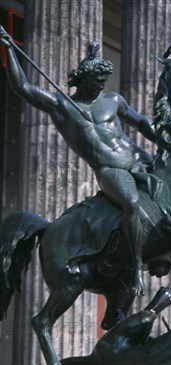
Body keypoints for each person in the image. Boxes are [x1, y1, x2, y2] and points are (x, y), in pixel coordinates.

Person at [0, 29, 156, 296]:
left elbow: (140, 121)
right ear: (83, 80)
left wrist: (161, 136)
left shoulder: (113, 100)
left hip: (139, 159)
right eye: (96, 80)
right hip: (111, 170)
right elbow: (23, 88)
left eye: (103, 80)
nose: (100, 85)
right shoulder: (63, 106)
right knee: (130, 203)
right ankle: (137, 265)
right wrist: (10, 48)